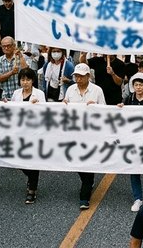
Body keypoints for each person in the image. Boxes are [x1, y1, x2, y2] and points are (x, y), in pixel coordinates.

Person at [63, 62, 106, 210]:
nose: (78, 79)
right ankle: (88, 180)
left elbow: (105, 111)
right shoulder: (70, 90)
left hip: (91, 132)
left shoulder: (97, 90)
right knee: (77, 161)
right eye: (76, 76)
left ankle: (84, 196)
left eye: (81, 76)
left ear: (88, 76)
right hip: (74, 132)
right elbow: (64, 106)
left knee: (88, 160)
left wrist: (96, 107)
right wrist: (63, 104)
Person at [118, 73, 143, 212]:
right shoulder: (129, 99)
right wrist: (120, 107)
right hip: (132, 140)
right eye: (136, 85)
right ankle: (137, 198)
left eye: (141, 85)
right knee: (134, 169)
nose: (138, 87)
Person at [10, 67, 46, 204]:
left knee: (33, 162)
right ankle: (31, 179)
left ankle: (32, 190)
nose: (25, 82)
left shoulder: (39, 94)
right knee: (18, 160)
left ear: (32, 81)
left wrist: (38, 106)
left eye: (28, 79)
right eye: (23, 79)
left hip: (34, 133)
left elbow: (45, 112)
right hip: (19, 133)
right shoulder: (16, 94)